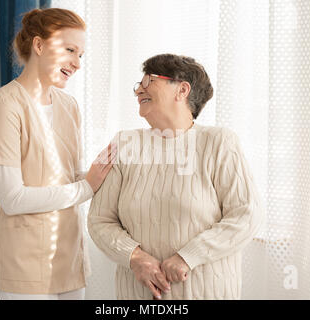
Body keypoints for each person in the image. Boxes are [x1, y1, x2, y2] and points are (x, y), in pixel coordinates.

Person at [87, 53, 265, 300]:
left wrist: (188, 256)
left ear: (182, 90)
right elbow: (100, 220)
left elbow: (246, 215)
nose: (139, 90)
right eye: (138, 84)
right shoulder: (125, 143)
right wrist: (135, 257)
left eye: (149, 80)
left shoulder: (219, 142)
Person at [0, 8, 116, 300]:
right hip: (24, 265)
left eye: (81, 54)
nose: (77, 63)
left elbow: (66, 179)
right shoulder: (4, 106)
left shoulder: (69, 106)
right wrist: (87, 186)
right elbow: (13, 199)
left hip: (70, 259)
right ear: (39, 46)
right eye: (70, 50)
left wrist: (105, 175)